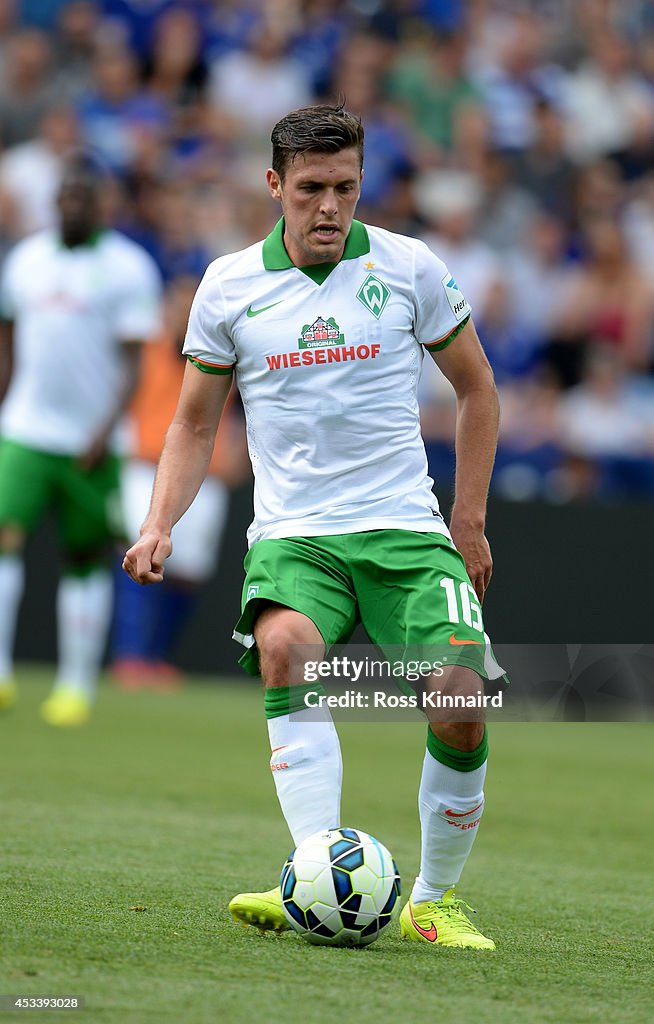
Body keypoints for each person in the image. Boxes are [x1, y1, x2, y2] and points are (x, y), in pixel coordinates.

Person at [123, 105, 505, 950]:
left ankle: (433, 900)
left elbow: (477, 388)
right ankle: (312, 873)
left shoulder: (410, 268)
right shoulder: (227, 286)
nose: (329, 206)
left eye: (344, 187)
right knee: (285, 647)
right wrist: (159, 523)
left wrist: (467, 519)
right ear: (275, 186)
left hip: (405, 530)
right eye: (310, 190)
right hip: (296, 534)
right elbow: (192, 424)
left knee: (460, 697)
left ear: (361, 182)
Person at [0, 155, 162, 725]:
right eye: (63, 196)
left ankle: (74, 687)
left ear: (102, 205)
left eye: (81, 198)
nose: (70, 205)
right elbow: (9, 340)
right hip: (24, 428)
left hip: (91, 441)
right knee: (5, 536)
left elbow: (136, 364)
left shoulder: (129, 268)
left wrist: (103, 430)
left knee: (85, 558)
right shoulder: (25, 260)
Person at [111, 271, 249, 689]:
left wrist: (238, 455)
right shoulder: (147, 349)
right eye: (179, 305)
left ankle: (156, 656)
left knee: (189, 571)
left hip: (204, 474)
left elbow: (246, 410)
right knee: (139, 552)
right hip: (144, 464)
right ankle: (131, 657)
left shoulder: (224, 349)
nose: (185, 314)